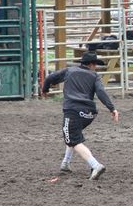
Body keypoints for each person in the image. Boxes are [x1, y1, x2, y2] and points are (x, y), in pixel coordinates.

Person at [42, 51, 120, 180]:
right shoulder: (94, 76)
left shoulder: (69, 71)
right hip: (89, 114)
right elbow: (101, 92)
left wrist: (45, 90)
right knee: (73, 134)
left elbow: (50, 78)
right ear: (91, 64)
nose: (95, 67)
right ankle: (65, 164)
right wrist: (112, 108)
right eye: (95, 64)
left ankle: (95, 165)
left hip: (73, 110)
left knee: (72, 138)